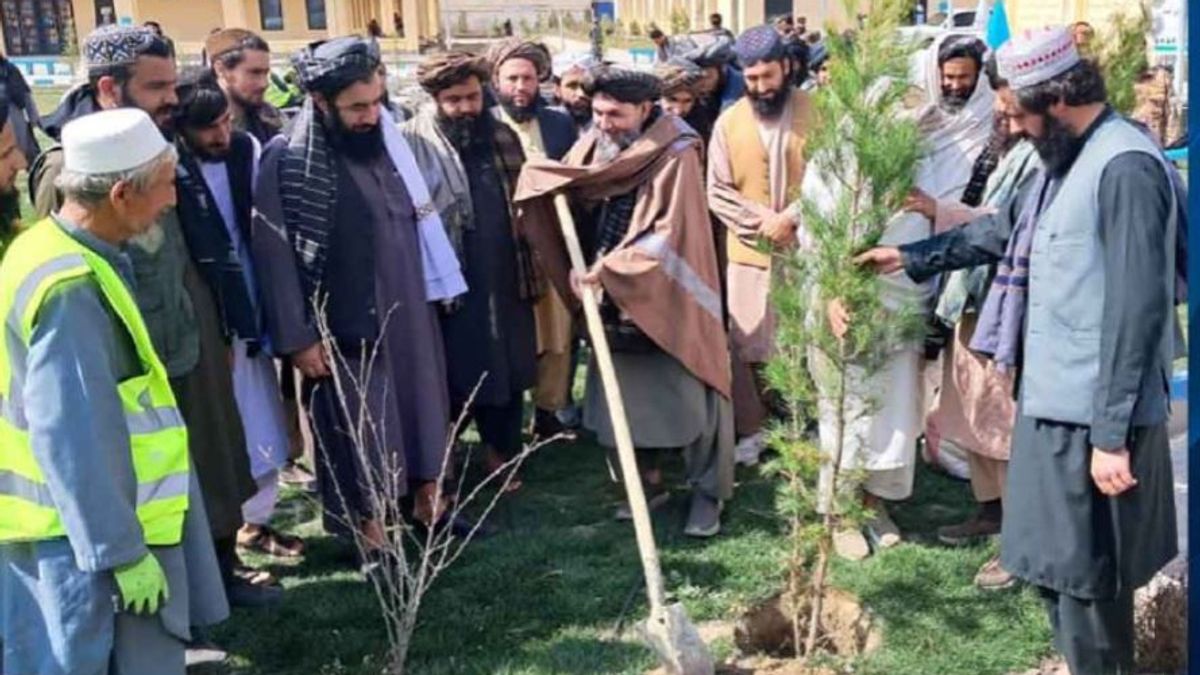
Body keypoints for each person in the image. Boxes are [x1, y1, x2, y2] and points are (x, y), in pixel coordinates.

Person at [857, 28, 1178, 672]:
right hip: (1050, 405)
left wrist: (1111, 436)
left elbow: (1136, 311)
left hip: (1094, 420)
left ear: (1055, 100)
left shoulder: (1124, 168)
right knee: (1056, 572)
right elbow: (1001, 230)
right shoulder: (1067, 160)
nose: (1012, 124)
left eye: (1014, 111)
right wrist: (909, 258)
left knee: (1091, 584)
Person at [28, 24, 275, 607]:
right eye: (158, 86)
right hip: (136, 358)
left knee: (212, 460)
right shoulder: (73, 165)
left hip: (190, 332)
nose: (174, 97)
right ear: (111, 88)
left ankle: (220, 572)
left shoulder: (165, 139)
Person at [0, 107, 226, 674]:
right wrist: (121, 553)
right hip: (82, 542)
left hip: (71, 530)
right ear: (122, 193)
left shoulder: (45, 249)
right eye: (167, 186)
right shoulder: (70, 289)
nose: (172, 201)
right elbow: (73, 434)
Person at [252, 37, 466, 561]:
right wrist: (298, 340)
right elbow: (275, 257)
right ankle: (370, 534)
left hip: (411, 310)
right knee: (361, 427)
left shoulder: (388, 148)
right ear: (321, 104)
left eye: (377, 102)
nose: (372, 116)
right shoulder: (291, 163)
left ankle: (428, 506)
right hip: (347, 325)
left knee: (421, 408)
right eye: (358, 107)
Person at [515, 66, 734, 537]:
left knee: (694, 400)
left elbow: (670, 235)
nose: (604, 122)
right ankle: (646, 485)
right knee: (623, 406)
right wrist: (540, 178)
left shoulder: (677, 152)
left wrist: (609, 270)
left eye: (615, 114)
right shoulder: (595, 142)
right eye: (597, 112)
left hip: (668, 300)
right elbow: (575, 184)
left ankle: (707, 495)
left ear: (646, 110)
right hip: (608, 300)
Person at [909, 56, 1040, 590]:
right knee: (970, 410)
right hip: (970, 294)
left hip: (1003, 303)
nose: (1003, 119)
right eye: (1001, 108)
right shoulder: (1004, 147)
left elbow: (1002, 227)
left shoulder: (1039, 160)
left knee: (1001, 422)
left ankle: (1021, 540)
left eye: (1011, 111)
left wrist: (936, 212)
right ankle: (989, 510)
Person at [173, 74, 304, 560]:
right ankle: (229, 526)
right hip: (202, 310)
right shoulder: (173, 166)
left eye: (225, 123)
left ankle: (255, 519)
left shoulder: (246, 151)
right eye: (208, 129)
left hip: (248, 296)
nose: (220, 137)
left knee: (261, 414)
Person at [404, 51, 539, 486]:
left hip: (505, 271)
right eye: (454, 100)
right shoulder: (414, 144)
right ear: (435, 99)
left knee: (510, 363)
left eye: (472, 97)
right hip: (450, 282)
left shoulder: (500, 135)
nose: (465, 108)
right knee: (456, 368)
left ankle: (501, 454)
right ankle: (436, 463)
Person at [707, 25, 811, 468]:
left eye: (768, 76)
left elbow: (838, 178)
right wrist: (764, 221)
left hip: (806, 251)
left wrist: (792, 218)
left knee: (802, 344)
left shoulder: (818, 112)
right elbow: (717, 191)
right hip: (749, 253)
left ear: (786, 67)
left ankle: (799, 427)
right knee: (747, 343)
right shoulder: (728, 122)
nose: (761, 87)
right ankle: (754, 428)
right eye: (751, 80)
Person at [485, 38, 580, 439]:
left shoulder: (558, 122)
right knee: (513, 333)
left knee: (558, 335)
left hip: (552, 247)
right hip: (501, 249)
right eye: (511, 79)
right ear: (496, 81)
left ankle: (548, 412)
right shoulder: (484, 123)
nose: (520, 87)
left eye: (527, 78)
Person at [206, 28, 283, 144]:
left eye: (265, 73)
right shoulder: (195, 130)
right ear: (221, 70)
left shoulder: (274, 124)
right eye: (255, 73)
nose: (264, 84)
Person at [655, 57, 709, 143]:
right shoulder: (641, 123)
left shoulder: (701, 124)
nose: (678, 111)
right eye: (672, 100)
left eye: (687, 101)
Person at [553, 52, 597, 132]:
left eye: (586, 85)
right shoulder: (543, 126)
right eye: (572, 86)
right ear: (557, 89)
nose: (581, 94)